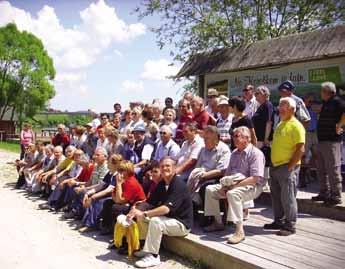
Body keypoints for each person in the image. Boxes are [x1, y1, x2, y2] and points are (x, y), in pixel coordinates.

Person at [126, 157, 193, 268]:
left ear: (174, 168)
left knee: (155, 220)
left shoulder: (178, 184)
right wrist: (136, 210)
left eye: (168, 166)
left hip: (181, 223)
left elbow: (166, 209)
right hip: (168, 219)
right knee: (141, 217)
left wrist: (145, 214)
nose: (165, 168)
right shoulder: (162, 184)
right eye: (162, 166)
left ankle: (153, 256)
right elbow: (150, 202)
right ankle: (146, 249)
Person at [203, 126, 265, 244]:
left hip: (252, 186)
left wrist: (234, 187)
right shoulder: (234, 153)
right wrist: (224, 187)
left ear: (247, 138)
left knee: (233, 194)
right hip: (233, 183)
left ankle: (239, 231)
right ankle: (218, 222)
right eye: (233, 136)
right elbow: (227, 174)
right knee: (210, 190)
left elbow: (255, 178)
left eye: (237, 136)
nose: (234, 138)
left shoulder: (256, 153)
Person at [264, 97, 305, 236]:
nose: (280, 108)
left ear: (293, 109)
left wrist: (291, 166)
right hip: (275, 166)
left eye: (284, 105)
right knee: (276, 196)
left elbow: (301, 148)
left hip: (287, 167)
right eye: (280, 105)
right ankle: (279, 221)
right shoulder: (281, 123)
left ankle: (290, 225)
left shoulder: (296, 125)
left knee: (288, 197)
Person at [312, 82, 345, 205]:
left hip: (331, 141)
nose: (321, 93)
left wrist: (341, 125)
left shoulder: (337, 101)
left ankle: (336, 195)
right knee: (321, 168)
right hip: (321, 140)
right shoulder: (327, 103)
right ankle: (324, 192)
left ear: (327, 92)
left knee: (332, 168)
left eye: (322, 91)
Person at [187, 126, 231, 208]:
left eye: (207, 139)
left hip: (216, 177)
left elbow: (221, 171)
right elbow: (198, 166)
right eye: (204, 138)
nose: (204, 141)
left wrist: (204, 176)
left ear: (215, 139)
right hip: (202, 175)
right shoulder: (203, 149)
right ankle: (192, 208)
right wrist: (198, 175)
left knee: (205, 188)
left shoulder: (224, 150)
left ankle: (208, 215)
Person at [99, 160, 146, 235]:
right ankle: (107, 227)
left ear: (128, 171)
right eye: (119, 170)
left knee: (115, 207)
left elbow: (119, 200)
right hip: (127, 202)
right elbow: (114, 195)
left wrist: (118, 184)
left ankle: (118, 231)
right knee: (108, 203)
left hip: (137, 206)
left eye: (122, 170)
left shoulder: (131, 182)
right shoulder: (123, 180)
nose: (119, 173)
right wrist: (118, 198)